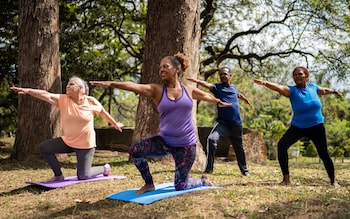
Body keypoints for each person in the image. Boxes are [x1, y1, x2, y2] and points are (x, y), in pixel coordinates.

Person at [90, 53, 231, 194]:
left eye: (165, 66)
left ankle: (202, 181)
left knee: (181, 185)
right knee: (135, 151)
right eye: (160, 68)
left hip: (186, 146)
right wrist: (110, 83)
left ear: (176, 69)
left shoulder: (189, 89)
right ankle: (149, 183)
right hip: (165, 141)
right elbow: (132, 86)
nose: (161, 70)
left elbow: (206, 95)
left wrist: (218, 102)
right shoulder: (156, 90)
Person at [11, 76, 123, 181]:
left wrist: (115, 124)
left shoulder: (91, 101)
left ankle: (105, 168)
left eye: (71, 84)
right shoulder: (63, 100)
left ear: (81, 88)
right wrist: (28, 91)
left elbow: (102, 112)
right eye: (68, 84)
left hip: (85, 145)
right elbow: (46, 95)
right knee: (44, 147)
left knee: (84, 175)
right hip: (68, 141)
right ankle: (58, 175)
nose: (67, 86)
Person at [253, 66, 342, 187]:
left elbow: (324, 91)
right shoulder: (292, 91)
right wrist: (265, 83)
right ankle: (286, 179)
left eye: (300, 74)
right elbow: (279, 87)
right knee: (282, 145)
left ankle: (333, 180)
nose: (297, 76)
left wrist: (334, 91)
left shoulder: (313, 88)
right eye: (295, 75)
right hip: (298, 127)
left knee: (323, 153)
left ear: (306, 76)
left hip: (317, 126)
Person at [187, 67, 250, 175]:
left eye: (225, 74)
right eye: (220, 74)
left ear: (230, 75)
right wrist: (197, 81)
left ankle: (244, 171)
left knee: (239, 148)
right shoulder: (217, 87)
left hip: (236, 125)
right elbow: (207, 85)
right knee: (211, 140)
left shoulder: (233, 88)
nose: (222, 76)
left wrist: (244, 99)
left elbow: (237, 94)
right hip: (223, 124)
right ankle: (209, 169)